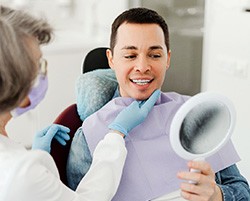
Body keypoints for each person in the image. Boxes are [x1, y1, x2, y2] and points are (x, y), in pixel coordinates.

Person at [67, 7, 250, 201]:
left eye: (154, 55)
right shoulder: (89, 135)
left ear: (167, 59)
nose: (143, 67)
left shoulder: (197, 115)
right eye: (130, 56)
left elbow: (242, 191)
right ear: (111, 60)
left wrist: (217, 195)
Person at [0, 5, 161, 201]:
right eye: (38, 65)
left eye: (155, 55)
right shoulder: (22, 172)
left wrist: (36, 154)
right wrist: (116, 133)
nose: (143, 67)